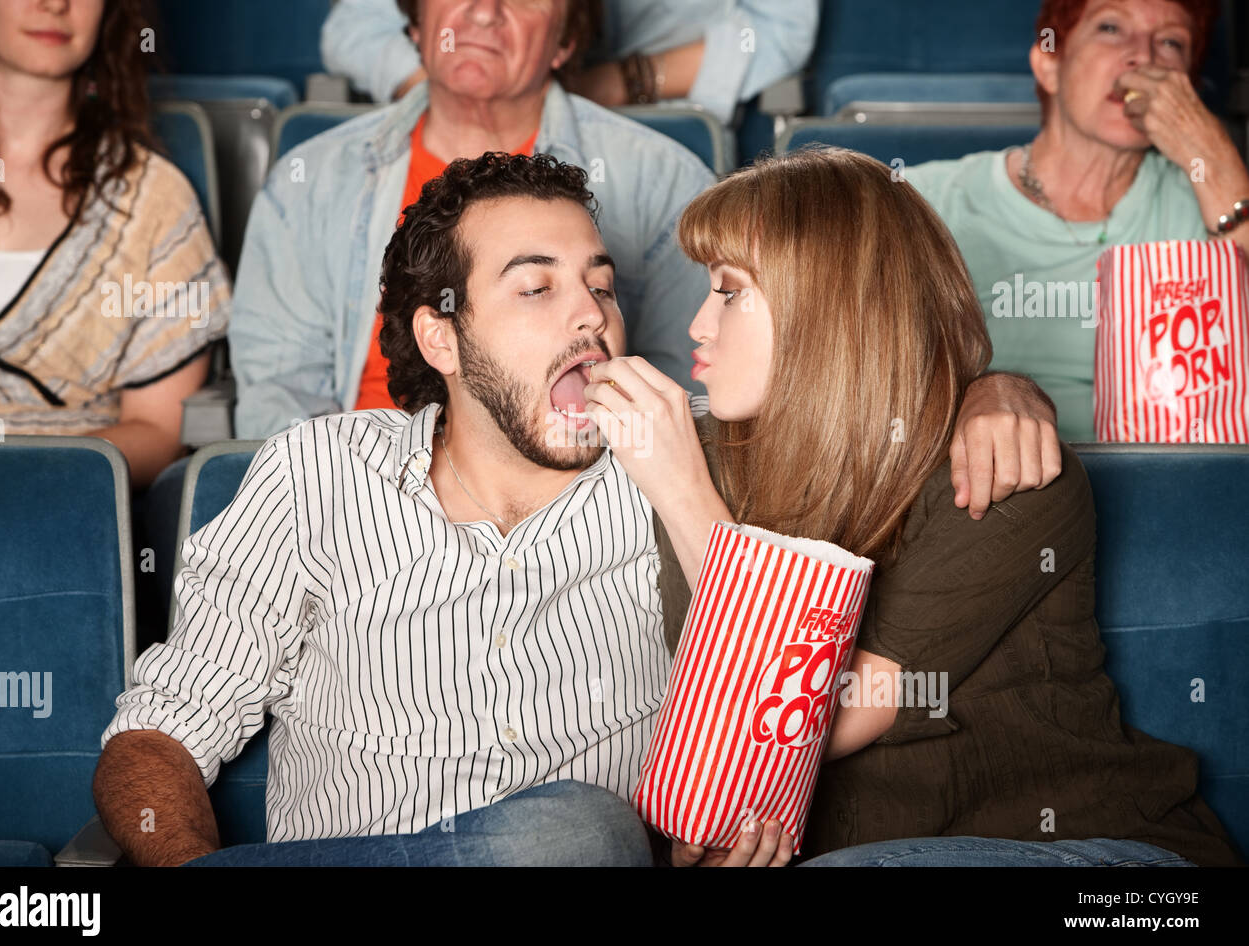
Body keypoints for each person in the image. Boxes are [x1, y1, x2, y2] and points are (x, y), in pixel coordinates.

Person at [94, 151, 1058, 866]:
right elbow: (159, 734)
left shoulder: (699, 459)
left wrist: (993, 387)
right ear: (441, 334)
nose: (590, 314)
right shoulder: (318, 472)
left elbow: (854, 392)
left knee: (575, 834)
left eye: (601, 285)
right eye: (537, 288)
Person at [583, 145, 1240, 867]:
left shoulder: (1001, 471)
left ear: (829, 306)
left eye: (731, 292)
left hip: (1097, 859)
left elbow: (784, 725)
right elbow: (722, 770)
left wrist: (683, 497)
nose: (697, 327)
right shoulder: (709, 460)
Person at [228, 0, 717, 441]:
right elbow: (278, 388)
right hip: (355, 486)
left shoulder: (664, 182)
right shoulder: (308, 181)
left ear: (565, 41)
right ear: (416, 25)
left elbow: (687, 391)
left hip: (572, 488)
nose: (484, 12)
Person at [904, 0, 1248, 442]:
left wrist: (1209, 151)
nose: (1142, 56)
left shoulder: (1210, 199)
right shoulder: (926, 199)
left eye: (1170, 41)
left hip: (1172, 487)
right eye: (1110, 27)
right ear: (1049, 66)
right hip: (982, 488)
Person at [0, 0, 230, 488]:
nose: (55, 4)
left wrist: (16, 481)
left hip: (65, 517)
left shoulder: (156, 200)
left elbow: (160, 431)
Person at [321, 0, 820, 126]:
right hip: (461, 117)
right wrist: (465, 91)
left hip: (653, 116)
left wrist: (615, 84)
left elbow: (778, 29)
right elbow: (354, 29)